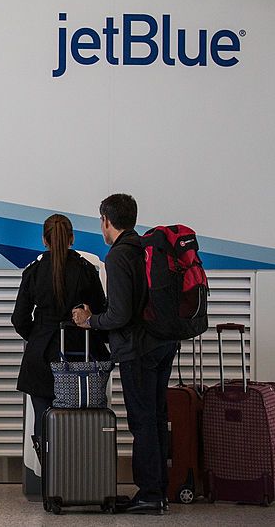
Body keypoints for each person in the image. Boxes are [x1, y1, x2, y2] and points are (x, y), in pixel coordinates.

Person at [73, 194, 177, 515]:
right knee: (157, 418)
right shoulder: (144, 248)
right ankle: (158, 491)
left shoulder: (118, 256)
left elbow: (119, 314)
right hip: (163, 343)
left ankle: (148, 493)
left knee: (142, 420)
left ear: (106, 220)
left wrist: (89, 320)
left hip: (138, 350)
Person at [11, 213, 109, 463]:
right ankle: (82, 477)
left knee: (44, 419)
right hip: (81, 356)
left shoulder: (33, 272)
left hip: (42, 356)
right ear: (72, 238)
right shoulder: (87, 270)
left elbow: (19, 318)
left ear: (44, 240)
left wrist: (38, 337)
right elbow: (101, 310)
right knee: (83, 417)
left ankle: (51, 481)